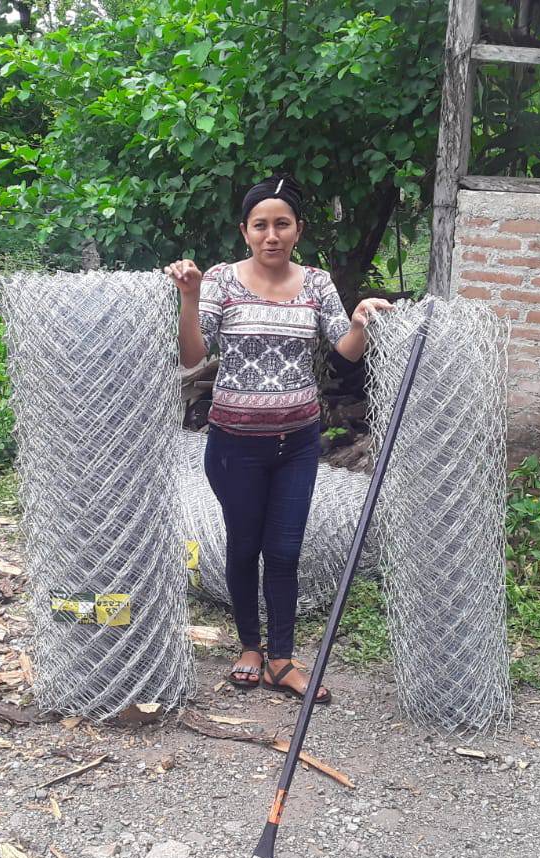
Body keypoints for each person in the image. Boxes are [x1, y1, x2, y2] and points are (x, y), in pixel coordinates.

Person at [165, 174, 390, 704]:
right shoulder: (220, 279)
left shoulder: (315, 283)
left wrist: (359, 318)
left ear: (298, 230)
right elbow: (193, 357)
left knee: (285, 550)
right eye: (260, 225)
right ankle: (249, 648)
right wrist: (191, 299)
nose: (272, 234)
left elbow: (346, 351)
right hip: (233, 445)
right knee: (244, 546)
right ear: (245, 231)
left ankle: (283, 659)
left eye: (282, 224)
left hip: (297, 444)